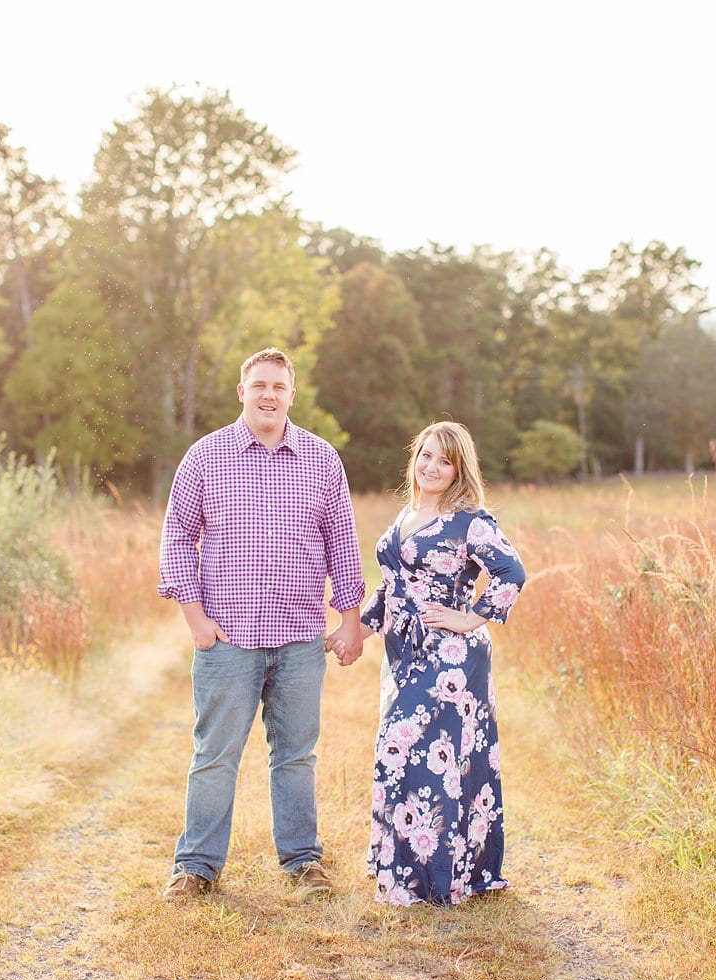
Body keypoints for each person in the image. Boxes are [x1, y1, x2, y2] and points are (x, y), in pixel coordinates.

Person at [157, 347, 367, 900]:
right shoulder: (206, 456)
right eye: (259, 385)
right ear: (242, 392)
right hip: (228, 640)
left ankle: (303, 862)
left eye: (279, 386)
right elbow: (177, 538)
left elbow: (342, 544)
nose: (269, 394)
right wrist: (195, 618)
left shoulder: (322, 460)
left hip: (300, 637)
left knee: (295, 755)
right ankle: (197, 867)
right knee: (214, 755)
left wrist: (350, 621)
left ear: (291, 395)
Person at [351, 421, 527, 906]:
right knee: (434, 758)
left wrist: (469, 619)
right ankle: (415, 869)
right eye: (425, 455)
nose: (431, 466)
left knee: (405, 749)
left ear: (459, 469)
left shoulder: (470, 520)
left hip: (450, 656)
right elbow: (391, 589)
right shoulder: (407, 514)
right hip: (405, 652)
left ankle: (426, 879)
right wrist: (356, 633)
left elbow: (513, 573)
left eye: (443, 460)